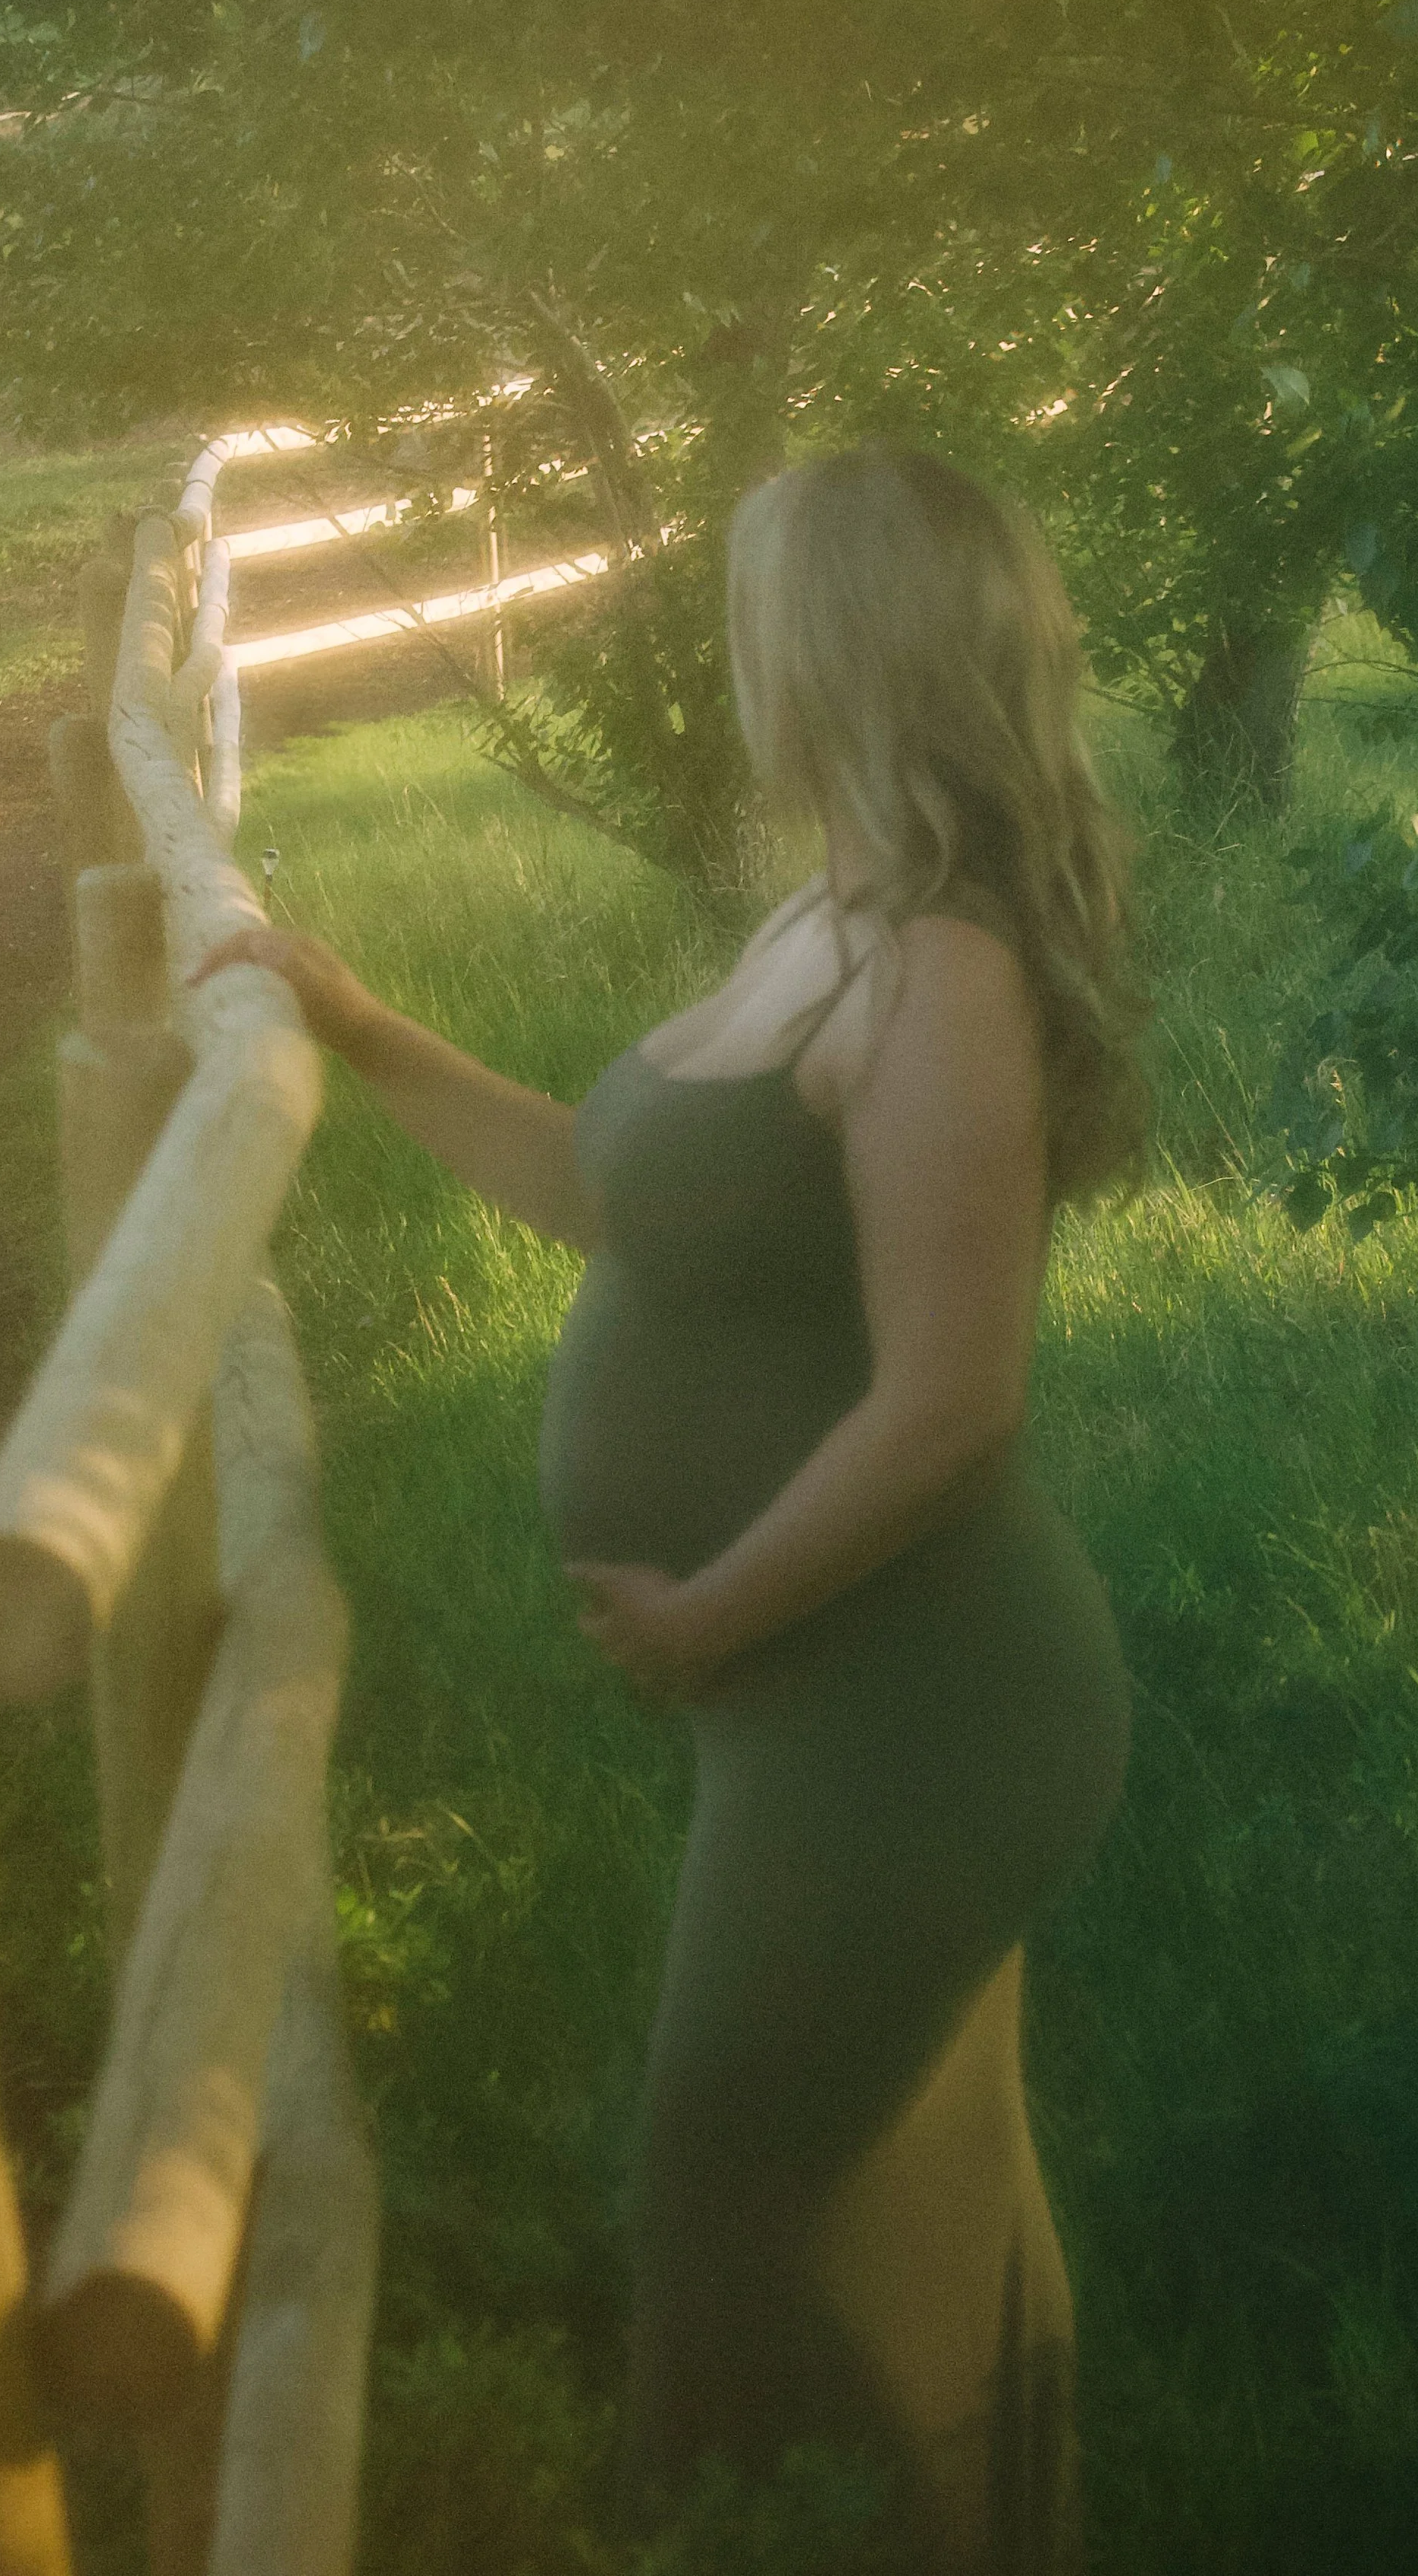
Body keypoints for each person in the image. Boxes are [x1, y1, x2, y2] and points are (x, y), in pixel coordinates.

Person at [193, 443, 1148, 2573]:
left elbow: (950, 1410)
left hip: (914, 1701)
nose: (727, 660)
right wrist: (361, 1028)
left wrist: (714, 1608)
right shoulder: (826, 919)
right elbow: (601, 1197)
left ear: (831, 648)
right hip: (826, 1695)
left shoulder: (940, 975)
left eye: (749, 614)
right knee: (913, 2199)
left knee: (733, 2198)